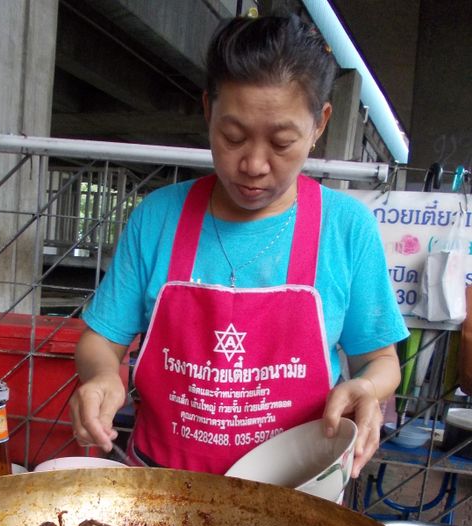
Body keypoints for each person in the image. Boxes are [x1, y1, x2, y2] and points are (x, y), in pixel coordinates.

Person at [70, 13, 408, 479]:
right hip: (161, 487)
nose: (252, 164)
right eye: (233, 137)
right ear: (208, 110)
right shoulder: (157, 218)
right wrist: (103, 376)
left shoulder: (346, 229)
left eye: (281, 142)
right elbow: (99, 341)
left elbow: (380, 358)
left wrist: (368, 387)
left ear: (319, 124)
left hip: (295, 493)